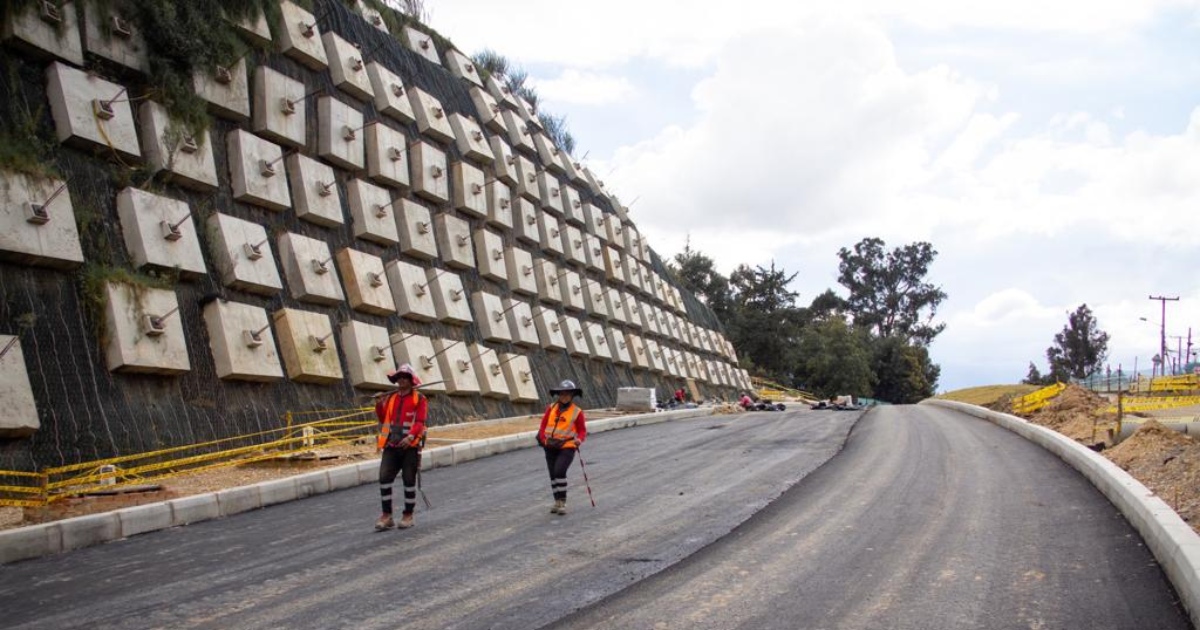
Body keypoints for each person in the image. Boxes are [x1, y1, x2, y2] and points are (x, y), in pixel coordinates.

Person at [374, 363, 428, 531]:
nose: (402, 380)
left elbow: (420, 422)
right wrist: (379, 404)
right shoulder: (391, 398)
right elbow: (384, 419)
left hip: (409, 447)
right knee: (384, 478)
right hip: (391, 444)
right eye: (399, 377)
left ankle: (408, 515)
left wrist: (411, 436)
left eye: (405, 377)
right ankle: (386, 515)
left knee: (409, 481)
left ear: (411, 381)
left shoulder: (420, 399)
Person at [537, 379, 588, 515]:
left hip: (567, 445)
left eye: (567, 394)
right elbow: (543, 426)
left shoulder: (577, 412)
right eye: (562, 394)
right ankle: (557, 502)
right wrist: (542, 439)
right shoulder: (551, 408)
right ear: (559, 395)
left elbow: (582, 430)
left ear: (572, 395)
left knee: (559, 471)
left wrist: (579, 440)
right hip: (550, 445)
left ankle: (563, 501)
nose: (564, 397)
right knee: (552, 474)